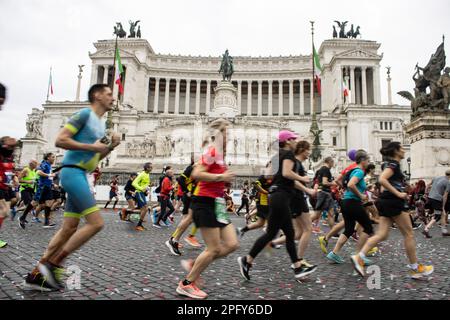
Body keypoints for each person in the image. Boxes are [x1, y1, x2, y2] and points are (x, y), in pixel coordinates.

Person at [23, 84, 120, 291]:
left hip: (82, 174)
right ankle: (54, 263)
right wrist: (94, 146)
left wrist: (110, 147)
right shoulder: (84, 114)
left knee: (69, 228)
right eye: (109, 94)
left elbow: (94, 159)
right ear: (97, 96)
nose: (113, 97)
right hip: (72, 172)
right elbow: (61, 139)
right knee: (96, 223)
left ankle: (36, 273)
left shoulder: (100, 125)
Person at [237, 131, 316, 283]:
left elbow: (270, 175)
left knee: (280, 233)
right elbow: (287, 174)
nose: (295, 141)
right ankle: (297, 267)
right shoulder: (288, 155)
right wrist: (303, 178)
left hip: (276, 196)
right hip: (281, 196)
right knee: (279, 234)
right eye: (293, 139)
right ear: (287, 141)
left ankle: (249, 260)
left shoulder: (276, 156)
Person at [351, 142, 434, 279]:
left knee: (382, 234)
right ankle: (415, 268)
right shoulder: (393, 164)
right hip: (393, 202)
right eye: (401, 148)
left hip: (385, 202)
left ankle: (359, 257)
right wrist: (398, 193)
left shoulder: (388, 164)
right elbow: (382, 179)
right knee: (409, 234)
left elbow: (388, 181)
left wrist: (404, 187)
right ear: (395, 151)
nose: (403, 150)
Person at [176, 119, 238, 299]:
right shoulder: (212, 151)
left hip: (217, 203)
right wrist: (221, 177)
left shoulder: (220, 154)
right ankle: (186, 284)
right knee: (213, 248)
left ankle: (195, 263)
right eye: (227, 133)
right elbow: (196, 174)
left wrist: (223, 179)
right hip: (204, 202)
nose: (229, 137)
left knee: (232, 244)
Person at [269, 140, 318, 274]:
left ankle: (274, 243)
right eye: (308, 149)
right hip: (297, 198)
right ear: (302, 149)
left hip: (293, 199)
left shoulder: (295, 162)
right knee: (308, 229)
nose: (309, 152)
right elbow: (293, 180)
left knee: (297, 233)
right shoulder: (294, 162)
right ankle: (299, 260)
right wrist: (307, 190)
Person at [326, 150, 374, 265]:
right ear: (362, 160)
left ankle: (334, 253)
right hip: (353, 202)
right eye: (367, 160)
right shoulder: (359, 172)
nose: (368, 162)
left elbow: (348, 184)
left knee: (349, 229)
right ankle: (358, 256)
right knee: (368, 227)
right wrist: (361, 195)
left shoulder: (352, 170)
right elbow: (351, 184)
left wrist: (364, 189)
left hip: (346, 202)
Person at [166, 160, 201, 256]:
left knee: (188, 219)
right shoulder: (192, 168)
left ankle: (174, 239)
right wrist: (187, 191)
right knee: (188, 219)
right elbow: (180, 179)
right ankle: (176, 239)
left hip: (192, 195)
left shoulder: (198, 168)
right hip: (189, 196)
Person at [19, 153, 56, 229]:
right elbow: (39, 172)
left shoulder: (49, 165)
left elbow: (48, 176)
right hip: (42, 187)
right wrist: (49, 175)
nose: (54, 159)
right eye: (52, 157)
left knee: (49, 202)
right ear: (48, 158)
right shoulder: (44, 164)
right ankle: (22, 217)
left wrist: (51, 182)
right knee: (34, 203)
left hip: (47, 187)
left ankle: (46, 222)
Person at [311, 157, 337, 233]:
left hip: (323, 193)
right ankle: (303, 225)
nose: (333, 164)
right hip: (324, 193)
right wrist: (333, 183)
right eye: (332, 162)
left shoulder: (321, 169)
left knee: (330, 213)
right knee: (317, 214)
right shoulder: (325, 169)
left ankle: (333, 232)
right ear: (329, 162)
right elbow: (324, 182)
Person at [0, 136, 18, 248]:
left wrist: (15, 177)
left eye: (13, 146)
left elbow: (11, 170)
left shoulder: (10, 156)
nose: (11, 148)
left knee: (5, 213)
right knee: (4, 211)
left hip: (5, 187)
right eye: (9, 146)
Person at [422, 170, 450, 238]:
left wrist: (426, 193)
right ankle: (426, 229)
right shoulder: (448, 183)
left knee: (443, 214)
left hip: (430, 197)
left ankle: (444, 231)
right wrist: (443, 206)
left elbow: (428, 185)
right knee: (438, 216)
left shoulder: (436, 178)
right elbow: (445, 196)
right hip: (437, 199)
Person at [132, 163, 153, 231]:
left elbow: (144, 183)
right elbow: (134, 183)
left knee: (143, 209)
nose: (152, 168)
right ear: (147, 168)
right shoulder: (142, 174)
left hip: (142, 193)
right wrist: (141, 189)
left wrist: (149, 185)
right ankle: (138, 225)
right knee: (145, 208)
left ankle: (139, 224)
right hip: (139, 192)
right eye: (150, 167)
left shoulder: (147, 174)